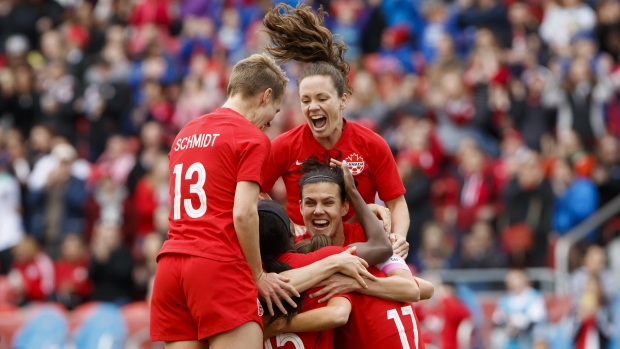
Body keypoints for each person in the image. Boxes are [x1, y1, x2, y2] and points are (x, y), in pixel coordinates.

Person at [150, 53, 298, 349]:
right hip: (216, 266)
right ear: (266, 96)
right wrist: (258, 274)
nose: (270, 123)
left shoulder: (185, 133)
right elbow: (243, 213)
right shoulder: (250, 137)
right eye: (275, 111)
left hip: (170, 268)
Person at [260, 4, 410, 257]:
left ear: (342, 100)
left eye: (321, 98)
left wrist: (398, 238)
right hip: (303, 255)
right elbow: (253, 192)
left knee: (414, 290)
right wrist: (285, 224)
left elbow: (396, 203)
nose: (313, 106)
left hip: (362, 254)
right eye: (306, 100)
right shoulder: (284, 145)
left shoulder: (372, 144)